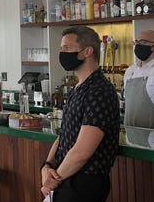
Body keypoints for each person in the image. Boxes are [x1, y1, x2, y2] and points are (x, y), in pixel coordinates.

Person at [41, 26, 120, 201]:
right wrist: (47, 165)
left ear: (87, 52)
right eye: (61, 48)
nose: (62, 53)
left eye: (67, 48)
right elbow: (65, 135)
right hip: (65, 177)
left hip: (84, 183)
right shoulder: (79, 87)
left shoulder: (99, 91)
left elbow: (82, 152)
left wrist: (52, 180)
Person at [123, 30, 154, 129]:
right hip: (131, 136)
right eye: (136, 42)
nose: (138, 46)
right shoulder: (130, 71)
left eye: (143, 42)